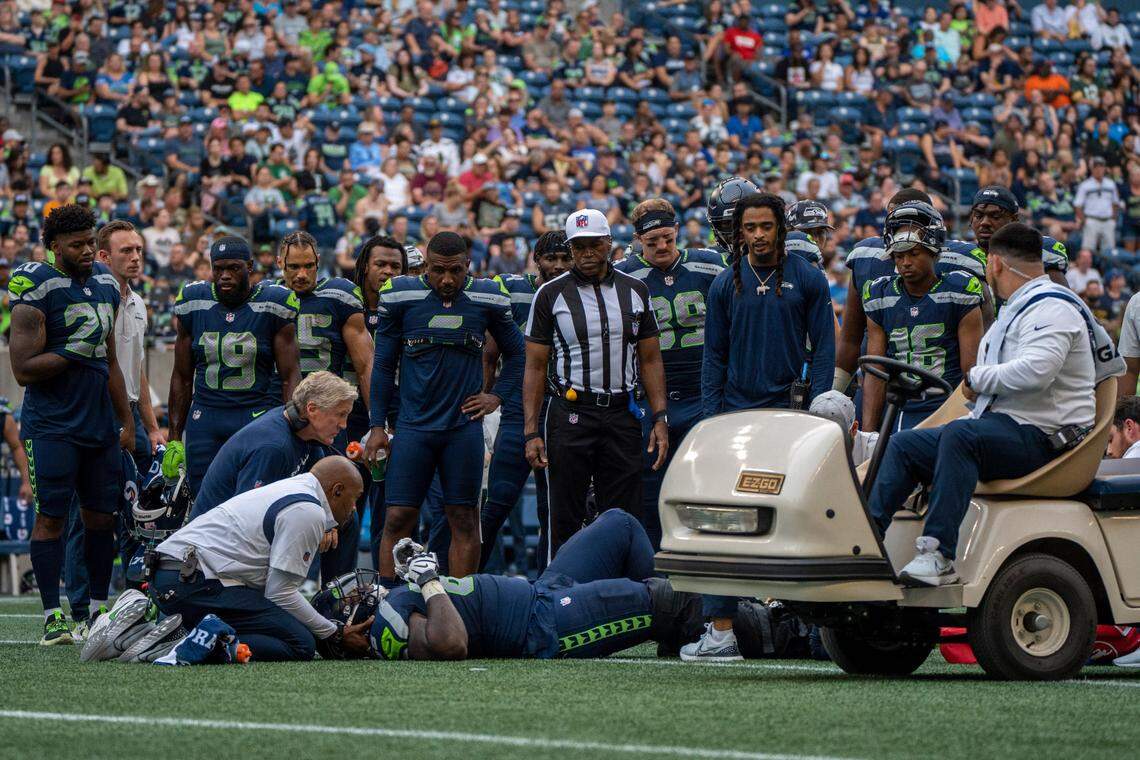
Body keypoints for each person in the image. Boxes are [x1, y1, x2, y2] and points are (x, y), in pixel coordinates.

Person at [868, 223, 1122, 585]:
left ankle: (938, 554)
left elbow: (1037, 370)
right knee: (904, 444)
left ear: (995, 264)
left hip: (1046, 438)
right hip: (1009, 429)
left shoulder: (1052, 308)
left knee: (961, 436)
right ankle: (865, 543)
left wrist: (976, 379)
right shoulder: (1020, 308)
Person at [686, 192, 835, 662]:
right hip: (734, 416)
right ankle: (721, 631)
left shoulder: (808, 278)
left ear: (780, 230)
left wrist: (816, 416)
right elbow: (713, 356)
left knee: (797, 520)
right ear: (738, 233)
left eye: (765, 227)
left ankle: (814, 629)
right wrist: (711, 419)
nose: (756, 236)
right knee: (721, 523)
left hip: (789, 417)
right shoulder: (723, 285)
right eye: (748, 228)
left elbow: (826, 354)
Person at [321, 509, 702, 661]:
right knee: (671, 599)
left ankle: (677, 635)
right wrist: (428, 581)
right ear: (349, 629)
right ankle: (734, 629)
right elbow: (452, 644)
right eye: (349, 600)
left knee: (619, 524)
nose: (359, 591)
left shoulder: (393, 605)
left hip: (543, 589)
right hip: (545, 626)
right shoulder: (386, 630)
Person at [7, 203, 135, 645]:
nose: (86, 250)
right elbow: (23, 368)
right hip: (52, 424)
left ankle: (98, 609)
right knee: (52, 518)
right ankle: (52, 615)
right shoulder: (35, 285)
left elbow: (111, 360)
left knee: (102, 518)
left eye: (90, 242)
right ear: (53, 246)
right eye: (76, 244)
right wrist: (73, 352)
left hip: (98, 422)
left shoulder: (104, 284)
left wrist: (127, 420)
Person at [364, 232, 524, 582]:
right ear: (426, 265)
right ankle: (390, 601)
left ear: (469, 265)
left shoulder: (487, 297)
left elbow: (519, 353)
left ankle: (463, 602)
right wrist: (378, 425)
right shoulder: (401, 295)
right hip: (413, 427)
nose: (447, 279)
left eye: (455, 271)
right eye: (438, 270)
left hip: (461, 428)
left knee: (464, 519)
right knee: (397, 518)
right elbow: (383, 365)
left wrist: (496, 395)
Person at [523, 209, 669, 561]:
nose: (587, 254)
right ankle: (560, 595)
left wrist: (660, 417)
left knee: (623, 516)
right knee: (565, 515)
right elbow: (535, 366)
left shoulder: (635, 290)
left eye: (594, 245)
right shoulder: (549, 294)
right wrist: (531, 432)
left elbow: (650, 357)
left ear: (609, 244)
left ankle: (622, 594)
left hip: (622, 412)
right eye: (579, 247)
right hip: (571, 412)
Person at [153, 460, 370, 662]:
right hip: (189, 579)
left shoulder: (298, 487)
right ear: (337, 490)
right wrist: (335, 632)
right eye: (356, 499)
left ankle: (178, 628)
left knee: (294, 626)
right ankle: (183, 641)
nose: (353, 508)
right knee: (301, 643)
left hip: (173, 574)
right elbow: (280, 593)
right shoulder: (309, 510)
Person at [65, 220, 165, 639]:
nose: (136, 257)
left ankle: (130, 599)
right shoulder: (91, 300)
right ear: (103, 257)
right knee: (85, 513)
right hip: (95, 411)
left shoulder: (139, 303)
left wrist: (152, 427)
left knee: (136, 512)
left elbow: (136, 371)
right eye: (126, 251)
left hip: (132, 415)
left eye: (139, 250)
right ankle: (81, 607)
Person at [614, 199, 726, 550]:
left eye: (667, 237)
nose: (662, 247)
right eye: (652, 242)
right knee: (650, 492)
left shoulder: (709, 266)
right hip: (651, 400)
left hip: (702, 393)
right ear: (637, 240)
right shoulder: (622, 276)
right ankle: (656, 574)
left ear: (677, 230)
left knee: (709, 486)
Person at [163, 235, 301, 496]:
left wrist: (290, 427)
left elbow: (289, 374)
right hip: (205, 417)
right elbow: (181, 375)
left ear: (249, 267)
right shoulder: (194, 302)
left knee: (250, 503)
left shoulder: (273, 303)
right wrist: (173, 438)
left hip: (255, 415)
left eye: (233, 268)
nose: (225, 275)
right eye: (219, 269)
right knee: (203, 502)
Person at [479, 231, 573, 571]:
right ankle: (467, 581)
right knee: (498, 499)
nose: (559, 266)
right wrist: (486, 396)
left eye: (566, 259)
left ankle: (550, 583)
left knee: (556, 507)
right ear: (537, 259)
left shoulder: (580, 292)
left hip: (564, 405)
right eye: (552, 259)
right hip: (519, 405)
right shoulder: (511, 289)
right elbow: (490, 354)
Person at [862, 202, 984, 431]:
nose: (905, 262)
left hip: (947, 402)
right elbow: (876, 373)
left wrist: (966, 414)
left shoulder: (958, 291)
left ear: (933, 250)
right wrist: (868, 433)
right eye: (899, 256)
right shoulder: (880, 295)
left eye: (914, 253)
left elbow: (971, 371)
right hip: (901, 406)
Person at [191, 371, 357, 518]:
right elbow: (246, 517)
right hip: (213, 542)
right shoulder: (273, 447)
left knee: (342, 518)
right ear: (312, 409)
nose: (344, 425)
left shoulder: (308, 435)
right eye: (340, 415)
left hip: (237, 533)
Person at [277, 231, 374, 437]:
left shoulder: (339, 295)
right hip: (280, 408)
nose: (302, 274)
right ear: (279, 263)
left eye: (309, 266)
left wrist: (377, 423)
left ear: (318, 262)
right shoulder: (269, 298)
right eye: (294, 267)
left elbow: (366, 365)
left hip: (328, 410)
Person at [809, 390, 879, 466]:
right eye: (819, 436)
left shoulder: (876, 449)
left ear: (854, 429)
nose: (827, 444)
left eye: (834, 436)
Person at [1074, 156, 1122, 255]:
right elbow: (1077, 205)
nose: (1099, 169)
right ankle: (1089, 270)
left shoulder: (1111, 184)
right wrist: (1084, 221)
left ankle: (1108, 270)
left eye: (1101, 166)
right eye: (1096, 166)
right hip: (1091, 220)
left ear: (1105, 168)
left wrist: (1113, 219)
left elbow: (1115, 203)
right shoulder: (1085, 185)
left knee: (1109, 251)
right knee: (1087, 250)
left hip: (1108, 220)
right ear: (1092, 168)